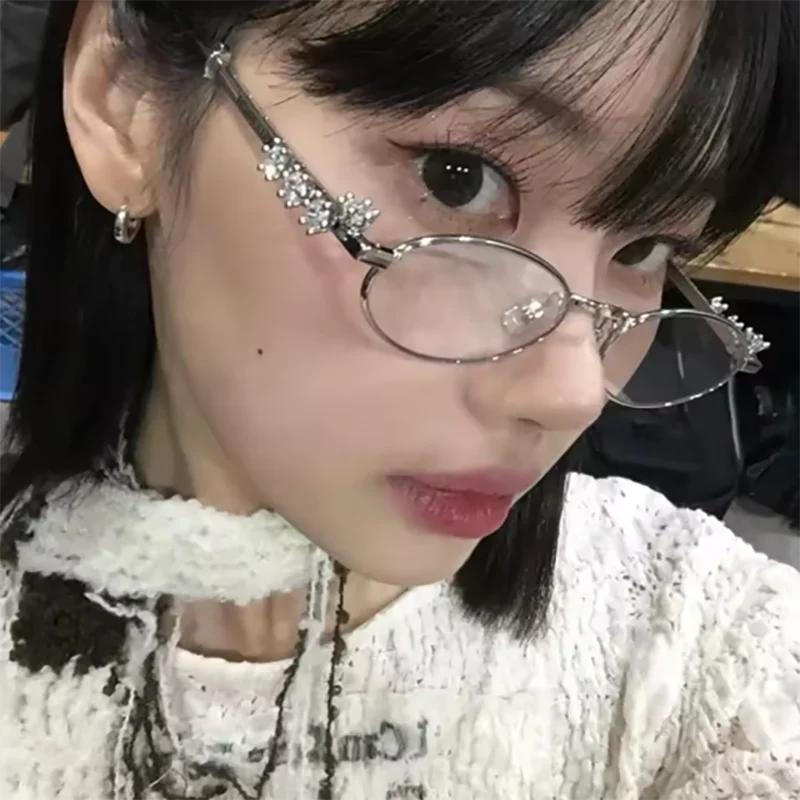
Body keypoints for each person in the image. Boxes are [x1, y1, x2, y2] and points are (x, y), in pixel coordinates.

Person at [1, 1, 798, 798]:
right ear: (123, 98)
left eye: (646, 247)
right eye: (457, 178)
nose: (574, 391)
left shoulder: (680, 638)